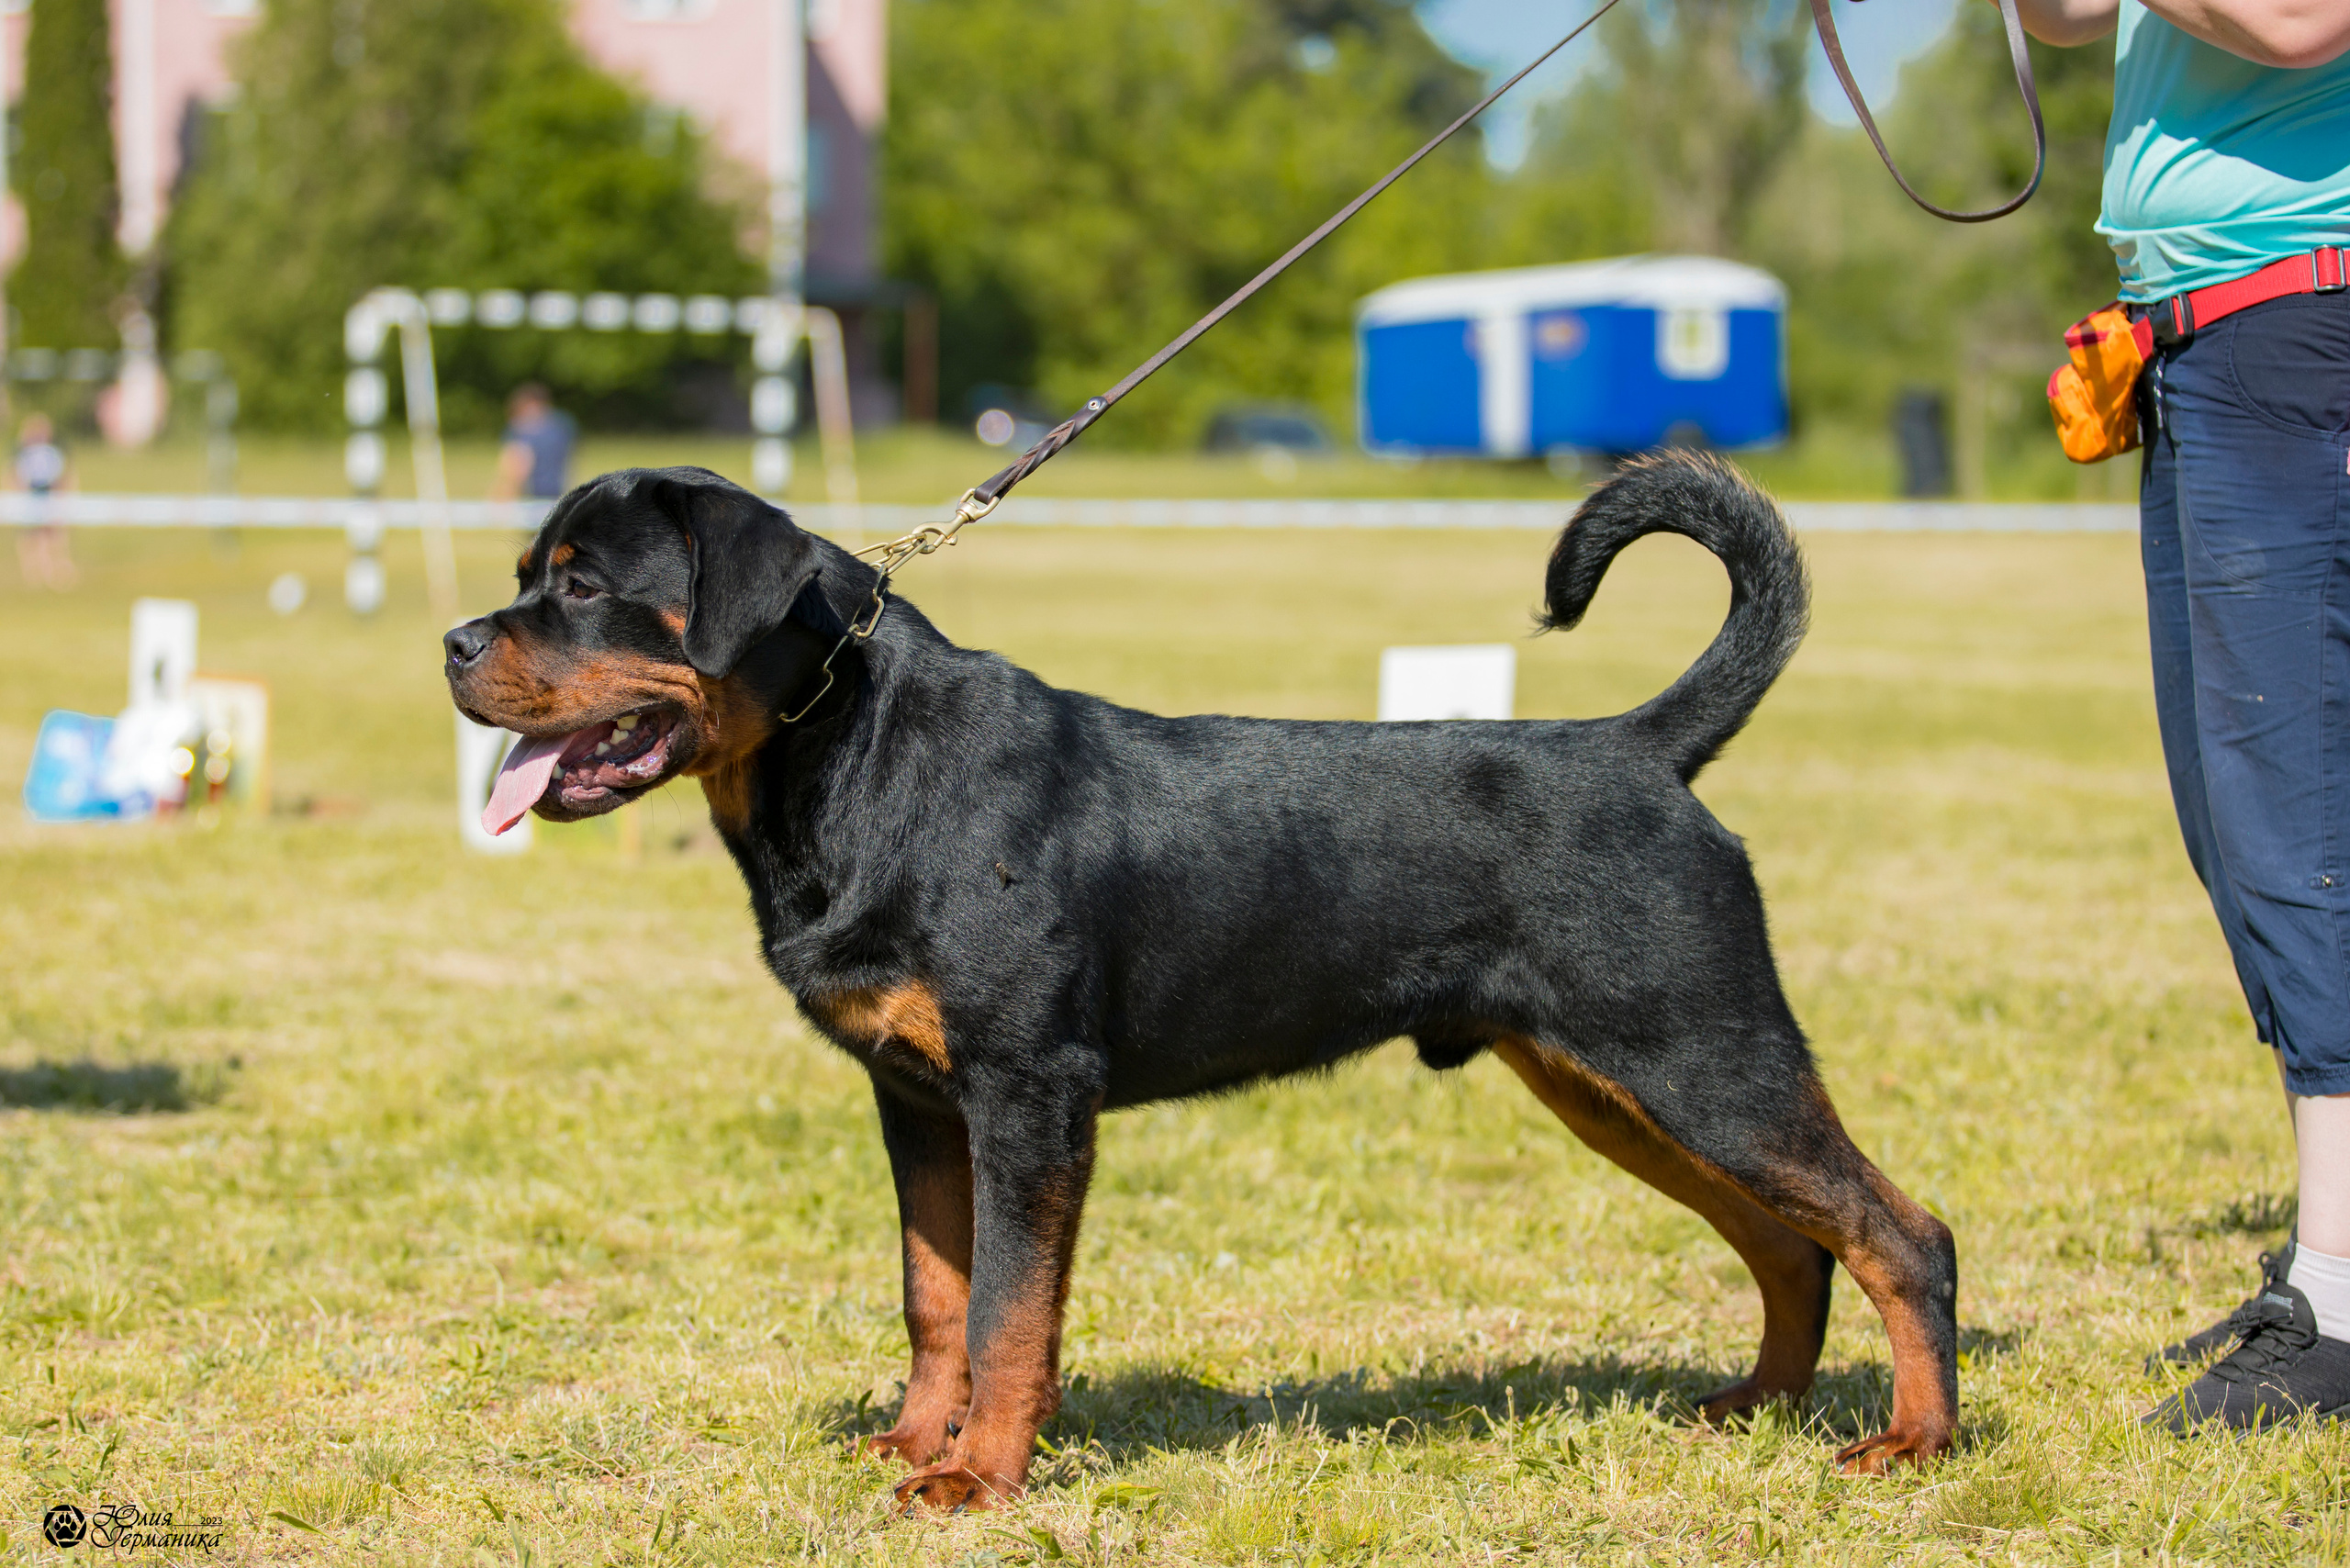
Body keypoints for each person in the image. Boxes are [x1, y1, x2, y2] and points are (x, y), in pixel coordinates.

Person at [2005, 0, 2350, 1428]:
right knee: (2246, 825)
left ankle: (2340, 1306)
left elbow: (2292, 18)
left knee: (2302, 819)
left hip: (2304, 321)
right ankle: (2330, 1259)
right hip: (2203, 343)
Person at [13, 412, 76, 590]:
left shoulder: (51, 452)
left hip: (48, 497)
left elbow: (61, 476)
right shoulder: (26, 454)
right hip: (33, 498)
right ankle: (34, 572)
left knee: (52, 535)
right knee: (32, 536)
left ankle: (54, 570)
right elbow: (18, 477)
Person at [488, 382, 577, 503]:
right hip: (560, 493)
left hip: (534, 496)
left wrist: (499, 498)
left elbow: (515, 469)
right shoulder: (564, 425)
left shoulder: (521, 431)